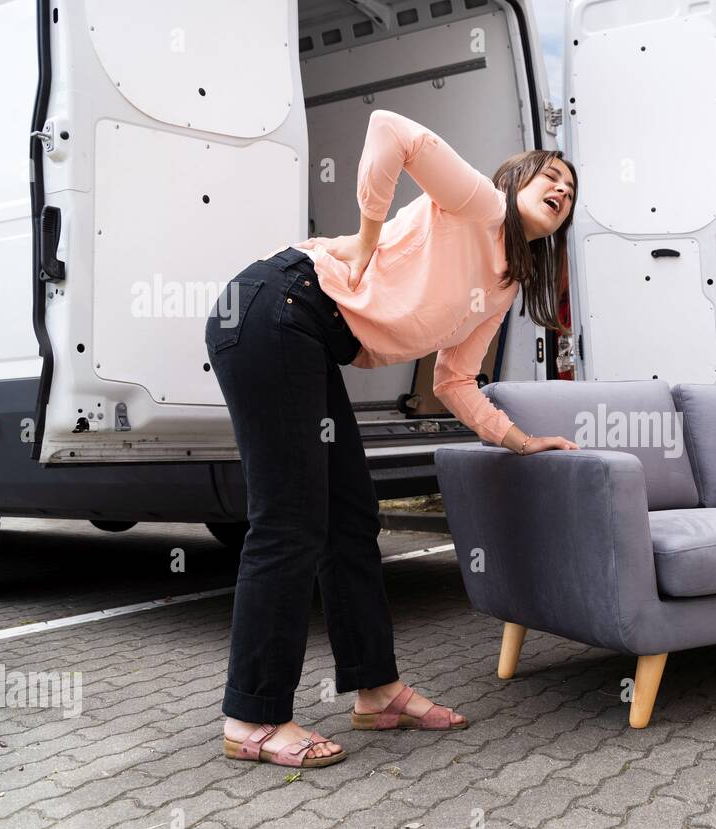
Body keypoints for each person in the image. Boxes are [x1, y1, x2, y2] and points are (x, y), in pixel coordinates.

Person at [207, 109, 579, 768]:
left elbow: (457, 380)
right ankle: (253, 719)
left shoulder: (504, 282)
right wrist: (366, 238)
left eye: (571, 191)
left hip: (308, 335)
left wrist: (520, 441)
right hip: (276, 308)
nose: (562, 191)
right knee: (291, 521)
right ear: (515, 181)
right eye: (551, 177)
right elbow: (391, 131)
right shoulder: (480, 205)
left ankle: (376, 692)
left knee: (351, 520)